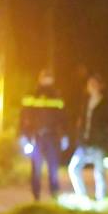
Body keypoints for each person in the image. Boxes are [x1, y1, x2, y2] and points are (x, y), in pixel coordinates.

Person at [67, 74, 108, 201]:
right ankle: (82, 195)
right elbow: (82, 121)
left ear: (100, 86)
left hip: (98, 143)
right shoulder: (86, 102)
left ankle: (101, 198)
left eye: (94, 84)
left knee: (99, 172)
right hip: (84, 142)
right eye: (90, 84)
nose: (91, 86)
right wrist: (79, 136)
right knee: (73, 168)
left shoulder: (105, 103)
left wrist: (104, 137)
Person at [18, 69, 67, 201]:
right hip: (36, 137)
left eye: (49, 78)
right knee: (36, 167)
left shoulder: (57, 95)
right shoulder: (32, 94)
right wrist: (23, 135)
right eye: (45, 77)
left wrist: (64, 135)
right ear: (40, 78)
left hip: (52, 136)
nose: (47, 80)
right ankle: (36, 195)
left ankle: (54, 193)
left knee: (53, 167)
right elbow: (23, 116)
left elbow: (62, 117)